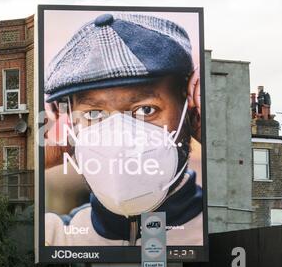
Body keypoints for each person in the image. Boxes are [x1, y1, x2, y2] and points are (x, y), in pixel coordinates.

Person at [43, 13, 203, 246]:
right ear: (70, 125)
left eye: (146, 109)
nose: (120, 139)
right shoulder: (55, 238)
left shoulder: (222, 231)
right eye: (94, 114)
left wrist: (221, 141)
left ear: (190, 110)